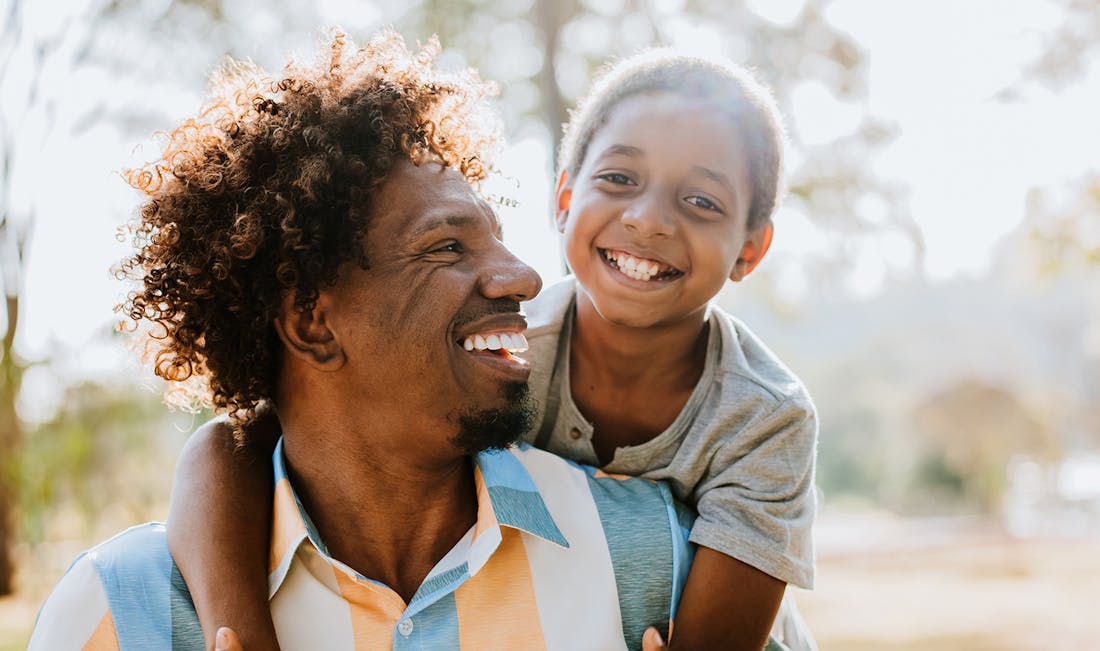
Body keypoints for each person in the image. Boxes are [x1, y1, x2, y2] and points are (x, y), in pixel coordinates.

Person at [26, 30, 706, 651]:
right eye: (446, 247)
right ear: (312, 323)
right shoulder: (120, 613)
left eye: (497, 238)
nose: (523, 276)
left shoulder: (649, 556)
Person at [170, 44, 817, 651]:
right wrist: (239, 631)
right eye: (620, 177)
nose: (649, 218)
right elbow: (233, 447)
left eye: (702, 200)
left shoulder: (764, 417)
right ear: (564, 199)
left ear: (751, 249)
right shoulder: (498, 346)